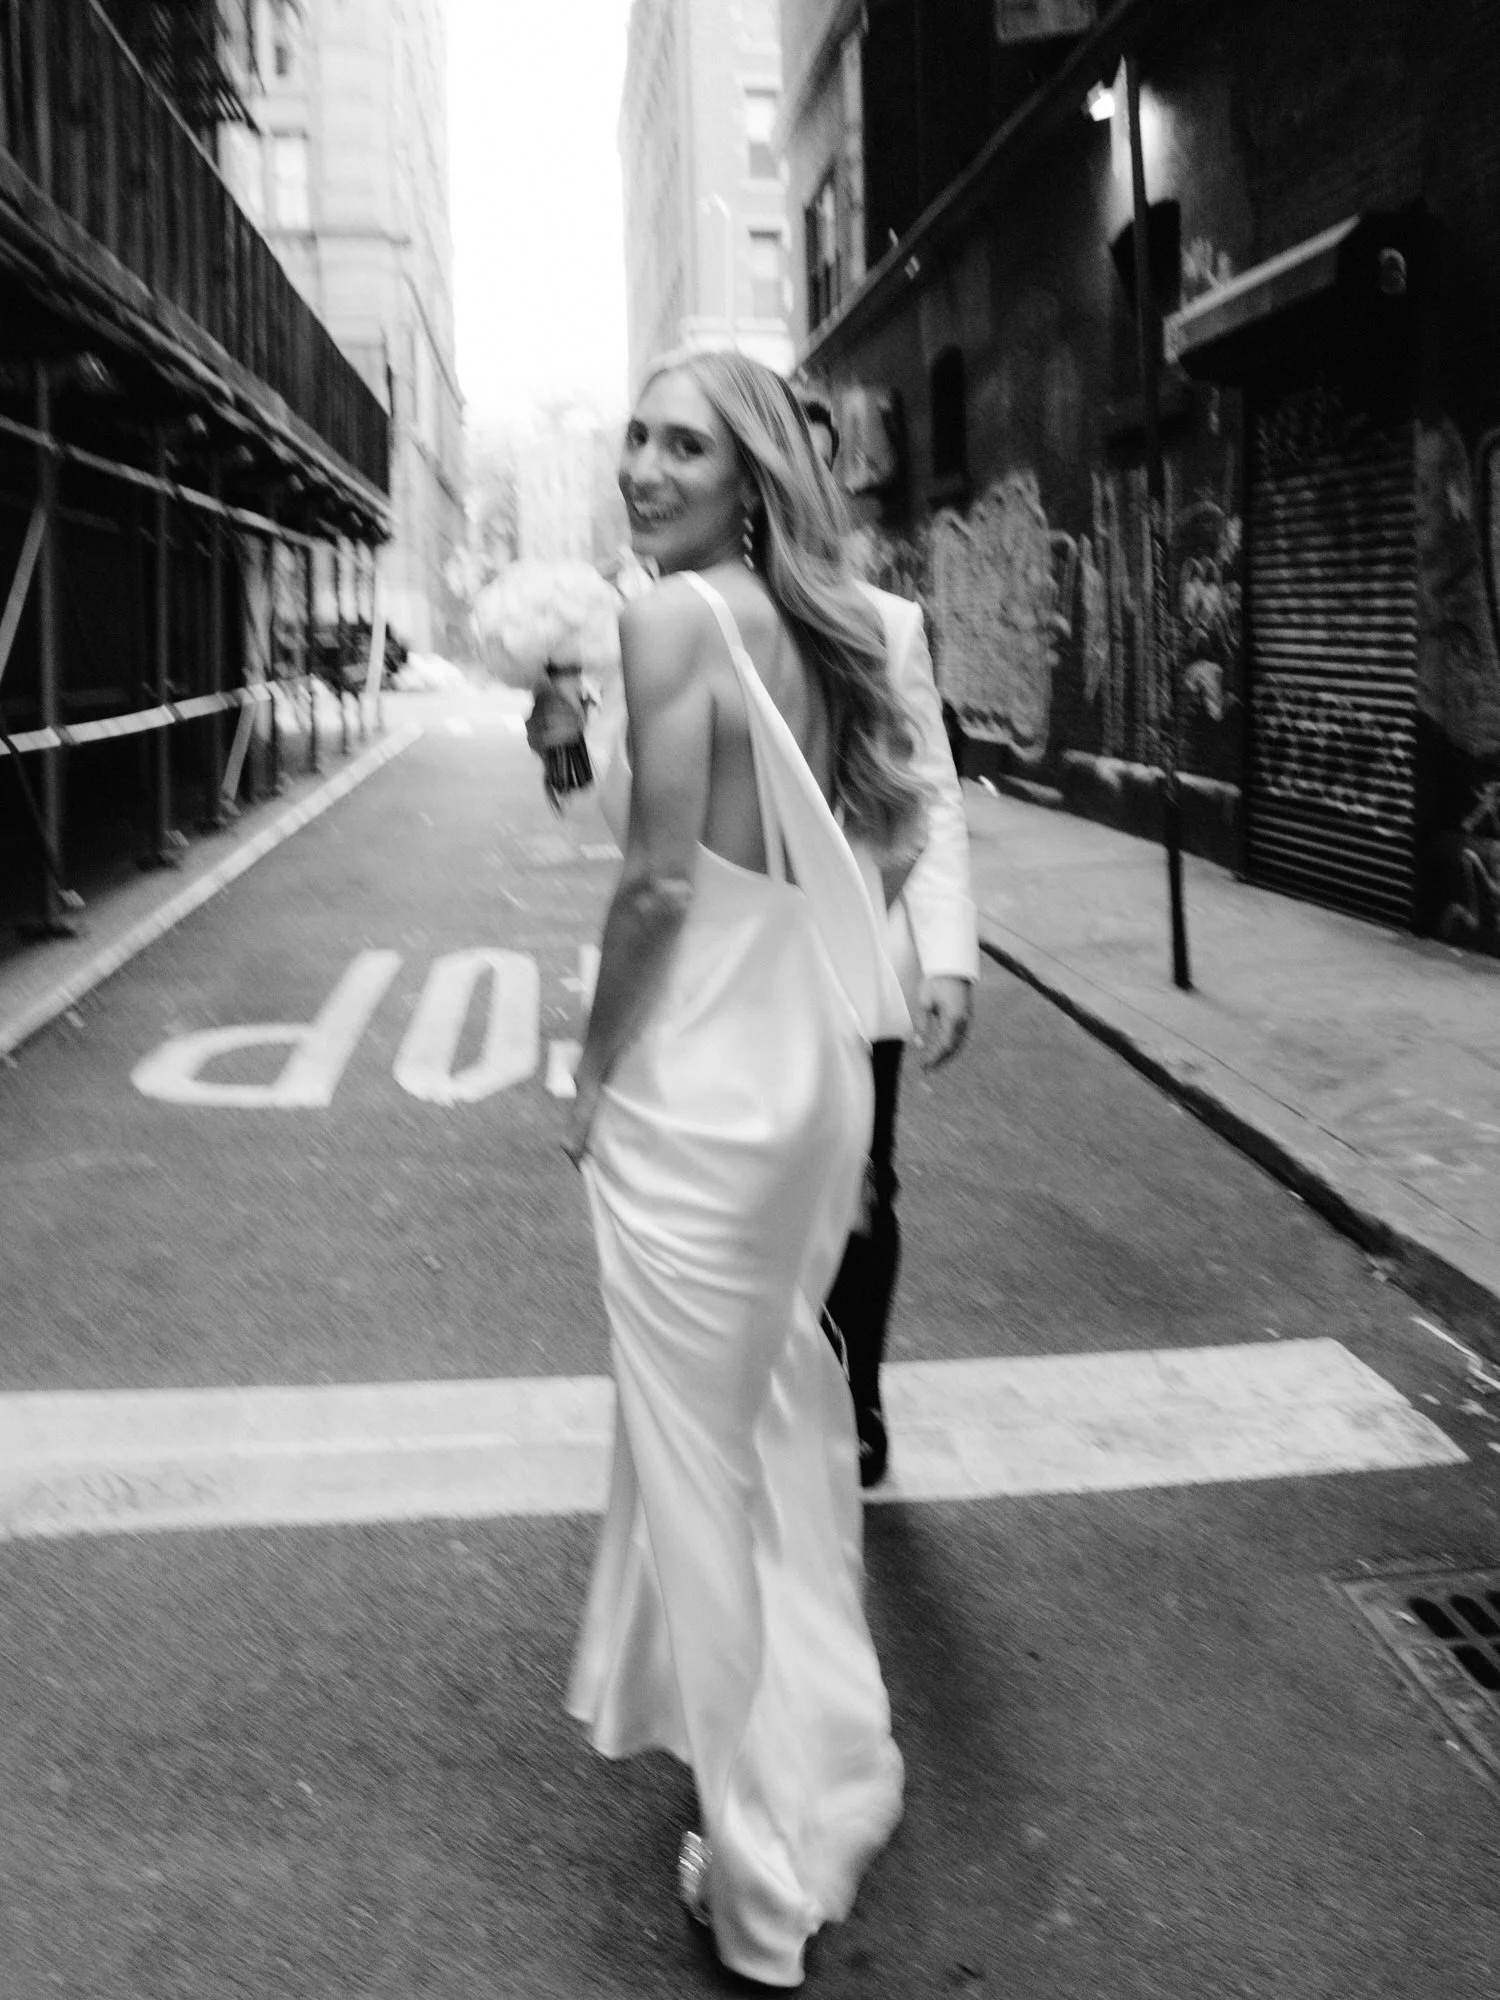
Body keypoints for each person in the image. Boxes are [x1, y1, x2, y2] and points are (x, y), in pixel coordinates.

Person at [563, 348, 924, 1988]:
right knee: (768, 1417)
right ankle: (803, 1746)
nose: (643, 468)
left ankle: (760, 1869)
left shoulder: (670, 620)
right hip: (803, 1063)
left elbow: (648, 894)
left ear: (747, 476)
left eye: (682, 447)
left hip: (696, 1073)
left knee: (697, 1463)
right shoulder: (834, 627)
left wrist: (588, 1076)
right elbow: (894, 837)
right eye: (634, 437)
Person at [799, 394, 979, 1489]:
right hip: (726, 974)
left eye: (824, 466)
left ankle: (855, 1393)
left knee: (862, 1190)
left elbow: (932, 792)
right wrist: (570, 741)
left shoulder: (885, 624)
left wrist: (948, 950)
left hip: (854, 963)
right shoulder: (679, 617)